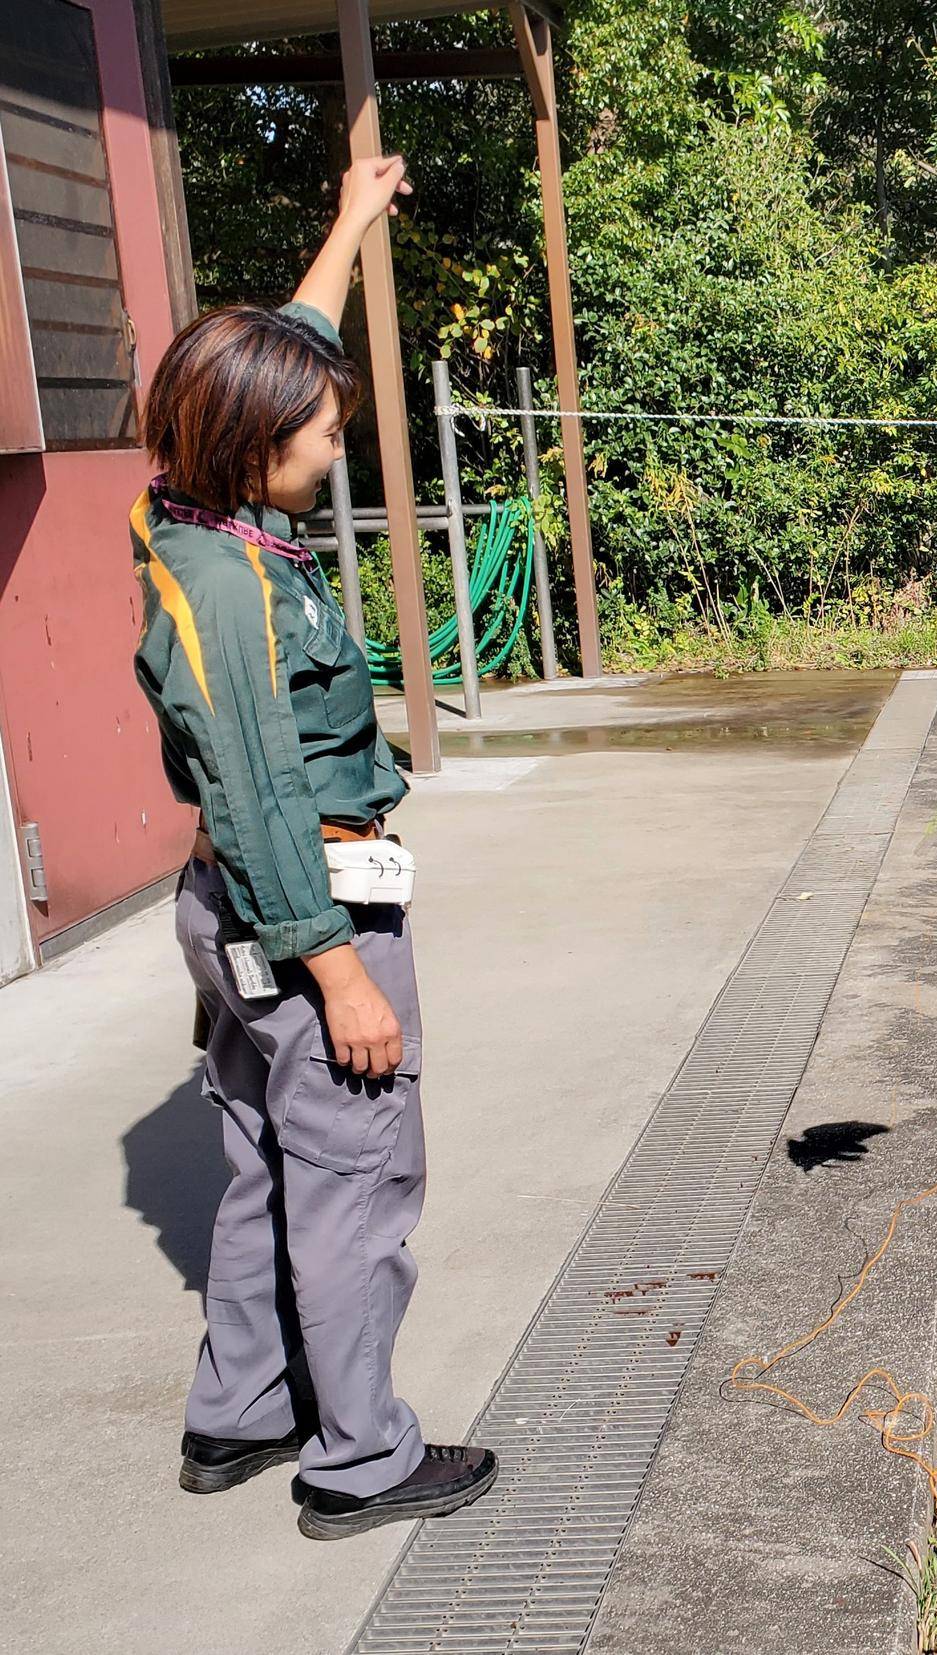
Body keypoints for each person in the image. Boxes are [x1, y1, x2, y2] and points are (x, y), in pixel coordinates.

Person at [132, 156, 496, 1540]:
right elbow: (265, 796)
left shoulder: (191, 512)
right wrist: (338, 971)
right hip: (302, 903)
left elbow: (295, 351)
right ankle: (361, 1455)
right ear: (255, 443)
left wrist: (348, 224)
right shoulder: (233, 598)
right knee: (354, 1174)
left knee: (262, 1157)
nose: (334, 451)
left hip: (228, 915)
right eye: (324, 438)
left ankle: (240, 1409)